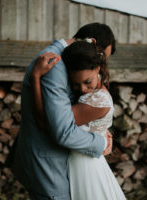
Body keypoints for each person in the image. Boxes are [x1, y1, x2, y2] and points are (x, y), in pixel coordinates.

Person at [11, 23, 116, 200]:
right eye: (102, 57)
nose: (102, 64)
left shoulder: (69, 61)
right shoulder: (56, 64)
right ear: (93, 43)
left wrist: (100, 127)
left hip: (64, 161)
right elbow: (62, 131)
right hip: (47, 163)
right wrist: (101, 142)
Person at [33, 41, 126, 199]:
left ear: (97, 69)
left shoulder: (97, 101)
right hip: (80, 162)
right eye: (76, 84)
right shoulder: (93, 94)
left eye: (87, 81)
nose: (82, 89)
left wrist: (35, 77)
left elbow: (46, 123)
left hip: (86, 168)